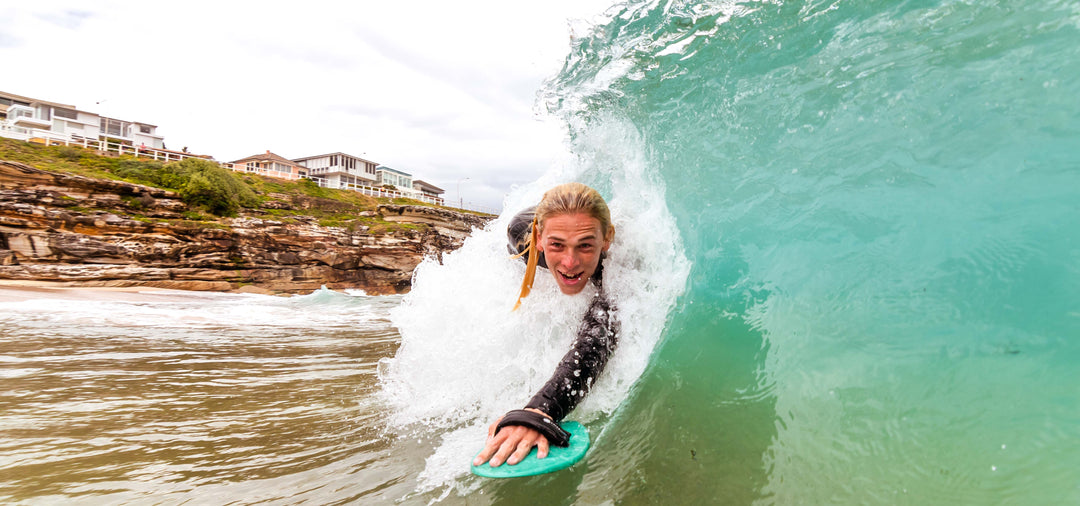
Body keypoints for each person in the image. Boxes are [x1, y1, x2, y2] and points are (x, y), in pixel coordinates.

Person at [473, 182, 620, 468]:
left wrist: (541, 410)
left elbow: (599, 335)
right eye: (556, 245)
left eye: (586, 246)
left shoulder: (617, 262)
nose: (569, 262)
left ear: (607, 239)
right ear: (540, 238)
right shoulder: (522, 239)